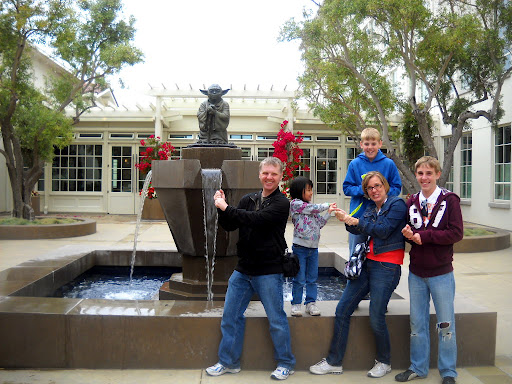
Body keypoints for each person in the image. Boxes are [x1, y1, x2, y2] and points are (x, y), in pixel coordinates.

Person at [205, 157, 296, 381]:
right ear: (259, 174)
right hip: (243, 270)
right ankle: (229, 362)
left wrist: (228, 208)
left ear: (280, 176)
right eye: (265, 173)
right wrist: (222, 208)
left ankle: (286, 363)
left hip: (269, 270)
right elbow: (230, 224)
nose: (269, 177)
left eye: (274, 174)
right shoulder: (249, 199)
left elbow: (257, 220)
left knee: (276, 319)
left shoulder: (282, 203)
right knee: (230, 317)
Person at [310, 171, 407, 378]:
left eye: (377, 186)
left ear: (384, 185)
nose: (374, 190)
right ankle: (334, 362)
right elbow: (359, 229)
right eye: (370, 188)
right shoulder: (372, 207)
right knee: (342, 309)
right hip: (367, 265)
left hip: (387, 268)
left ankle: (384, 361)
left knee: (376, 316)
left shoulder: (396, 205)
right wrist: (345, 219)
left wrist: (354, 222)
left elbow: (383, 230)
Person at [395, 156, 463, 384]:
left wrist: (422, 236)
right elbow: (411, 232)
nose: (424, 178)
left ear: (437, 174)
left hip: (441, 273)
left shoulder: (450, 200)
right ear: (416, 175)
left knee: (445, 324)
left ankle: (448, 372)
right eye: (421, 173)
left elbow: (456, 233)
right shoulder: (411, 201)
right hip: (416, 272)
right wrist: (409, 235)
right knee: (417, 323)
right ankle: (418, 367)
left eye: (429, 173)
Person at [343, 128, 402, 256]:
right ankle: (354, 276)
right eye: (367, 144)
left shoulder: (389, 164)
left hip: (382, 218)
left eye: (373, 144)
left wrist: (380, 194)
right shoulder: (355, 164)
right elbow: (347, 188)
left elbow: (397, 188)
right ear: (361, 144)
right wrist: (364, 190)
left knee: (378, 256)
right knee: (355, 256)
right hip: (358, 216)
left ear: (380, 144)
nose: (370, 147)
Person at [289, 176, 338, 317]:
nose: (311, 193)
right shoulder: (296, 204)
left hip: (313, 249)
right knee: (299, 278)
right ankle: (296, 304)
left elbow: (320, 224)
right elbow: (313, 208)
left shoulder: (311, 210)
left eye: (311, 190)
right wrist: (327, 205)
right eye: (308, 190)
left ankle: (310, 303)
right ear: (299, 191)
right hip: (300, 248)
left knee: (312, 278)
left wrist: (329, 213)